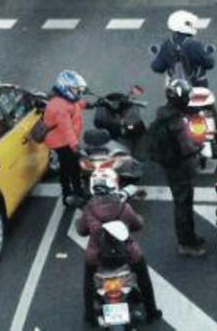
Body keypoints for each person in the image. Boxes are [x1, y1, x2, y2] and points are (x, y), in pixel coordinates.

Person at [78, 169, 161, 324]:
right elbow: (137, 224)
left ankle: (89, 317)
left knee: (88, 284)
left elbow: (81, 231)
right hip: (128, 255)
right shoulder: (124, 208)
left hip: (96, 258)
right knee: (144, 279)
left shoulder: (89, 210)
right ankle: (152, 312)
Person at [148, 80, 207, 256]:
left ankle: (190, 238)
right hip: (180, 168)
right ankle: (186, 243)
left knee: (182, 204)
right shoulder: (177, 122)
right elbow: (187, 147)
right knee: (183, 206)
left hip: (170, 166)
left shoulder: (163, 114)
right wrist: (199, 145)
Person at [41, 69, 89, 204]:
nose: (77, 92)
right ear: (65, 88)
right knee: (68, 167)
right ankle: (67, 194)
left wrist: (89, 104)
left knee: (73, 166)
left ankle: (77, 190)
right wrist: (76, 147)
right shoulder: (60, 108)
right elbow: (66, 129)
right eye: (75, 90)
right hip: (60, 142)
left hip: (66, 139)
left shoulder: (65, 99)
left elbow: (76, 104)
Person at [151, 10, 216, 85]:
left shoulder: (167, 45)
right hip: (196, 85)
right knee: (206, 94)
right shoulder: (195, 45)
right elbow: (209, 64)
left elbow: (157, 67)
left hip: (174, 89)